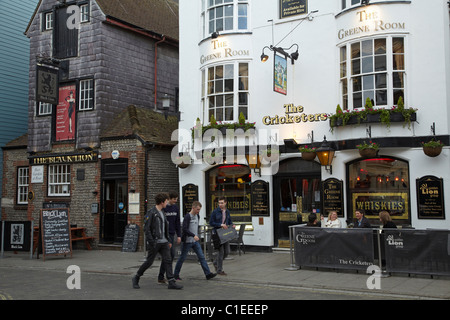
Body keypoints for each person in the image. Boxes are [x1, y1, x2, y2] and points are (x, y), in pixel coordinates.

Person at [132, 193, 183, 290]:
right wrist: (152, 242)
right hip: (155, 242)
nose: (167, 203)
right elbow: (146, 229)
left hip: (164, 241)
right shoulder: (151, 213)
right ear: (162, 202)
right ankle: (136, 277)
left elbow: (165, 228)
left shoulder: (163, 213)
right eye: (166, 202)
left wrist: (168, 240)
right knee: (149, 262)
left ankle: (171, 282)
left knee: (168, 260)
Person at [173, 201, 217, 280]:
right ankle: (176, 274)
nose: (198, 211)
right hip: (187, 241)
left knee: (202, 257)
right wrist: (193, 235)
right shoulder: (187, 217)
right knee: (182, 258)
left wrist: (196, 236)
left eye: (199, 209)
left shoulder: (198, 216)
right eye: (197, 209)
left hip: (195, 241)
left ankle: (208, 274)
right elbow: (185, 229)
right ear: (193, 208)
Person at [158, 191, 182, 284]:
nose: (175, 201)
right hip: (165, 235)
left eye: (176, 199)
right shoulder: (164, 209)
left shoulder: (175, 208)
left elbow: (177, 222)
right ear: (169, 199)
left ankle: (162, 276)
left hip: (172, 234)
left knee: (169, 256)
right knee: (170, 255)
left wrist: (179, 235)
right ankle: (168, 276)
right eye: (174, 199)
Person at [209, 196, 235, 275]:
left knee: (227, 252)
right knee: (221, 252)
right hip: (217, 233)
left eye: (222, 203)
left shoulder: (227, 211)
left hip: (225, 233)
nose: (220, 204)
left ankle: (216, 262)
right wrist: (220, 224)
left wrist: (232, 225)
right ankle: (219, 270)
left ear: (225, 203)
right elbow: (211, 223)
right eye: (219, 203)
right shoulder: (215, 212)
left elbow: (229, 220)